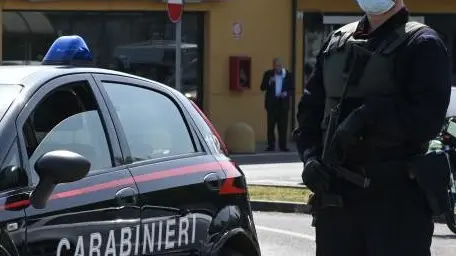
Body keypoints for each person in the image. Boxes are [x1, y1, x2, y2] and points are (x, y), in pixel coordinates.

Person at [295, 1, 451, 255]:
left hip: (395, 202)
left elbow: (426, 120)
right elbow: (309, 113)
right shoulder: (336, 42)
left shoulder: (423, 44)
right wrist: (310, 158)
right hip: (336, 202)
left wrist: (368, 117)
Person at [261, 58, 293, 152]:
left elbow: (292, 88)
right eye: (276, 65)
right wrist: (270, 81)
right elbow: (262, 87)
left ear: (282, 65)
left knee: (283, 126)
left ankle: (283, 146)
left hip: (283, 104)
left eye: (279, 65)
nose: (277, 67)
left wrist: (286, 93)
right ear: (273, 66)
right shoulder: (268, 74)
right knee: (270, 126)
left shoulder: (288, 75)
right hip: (272, 104)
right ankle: (271, 145)